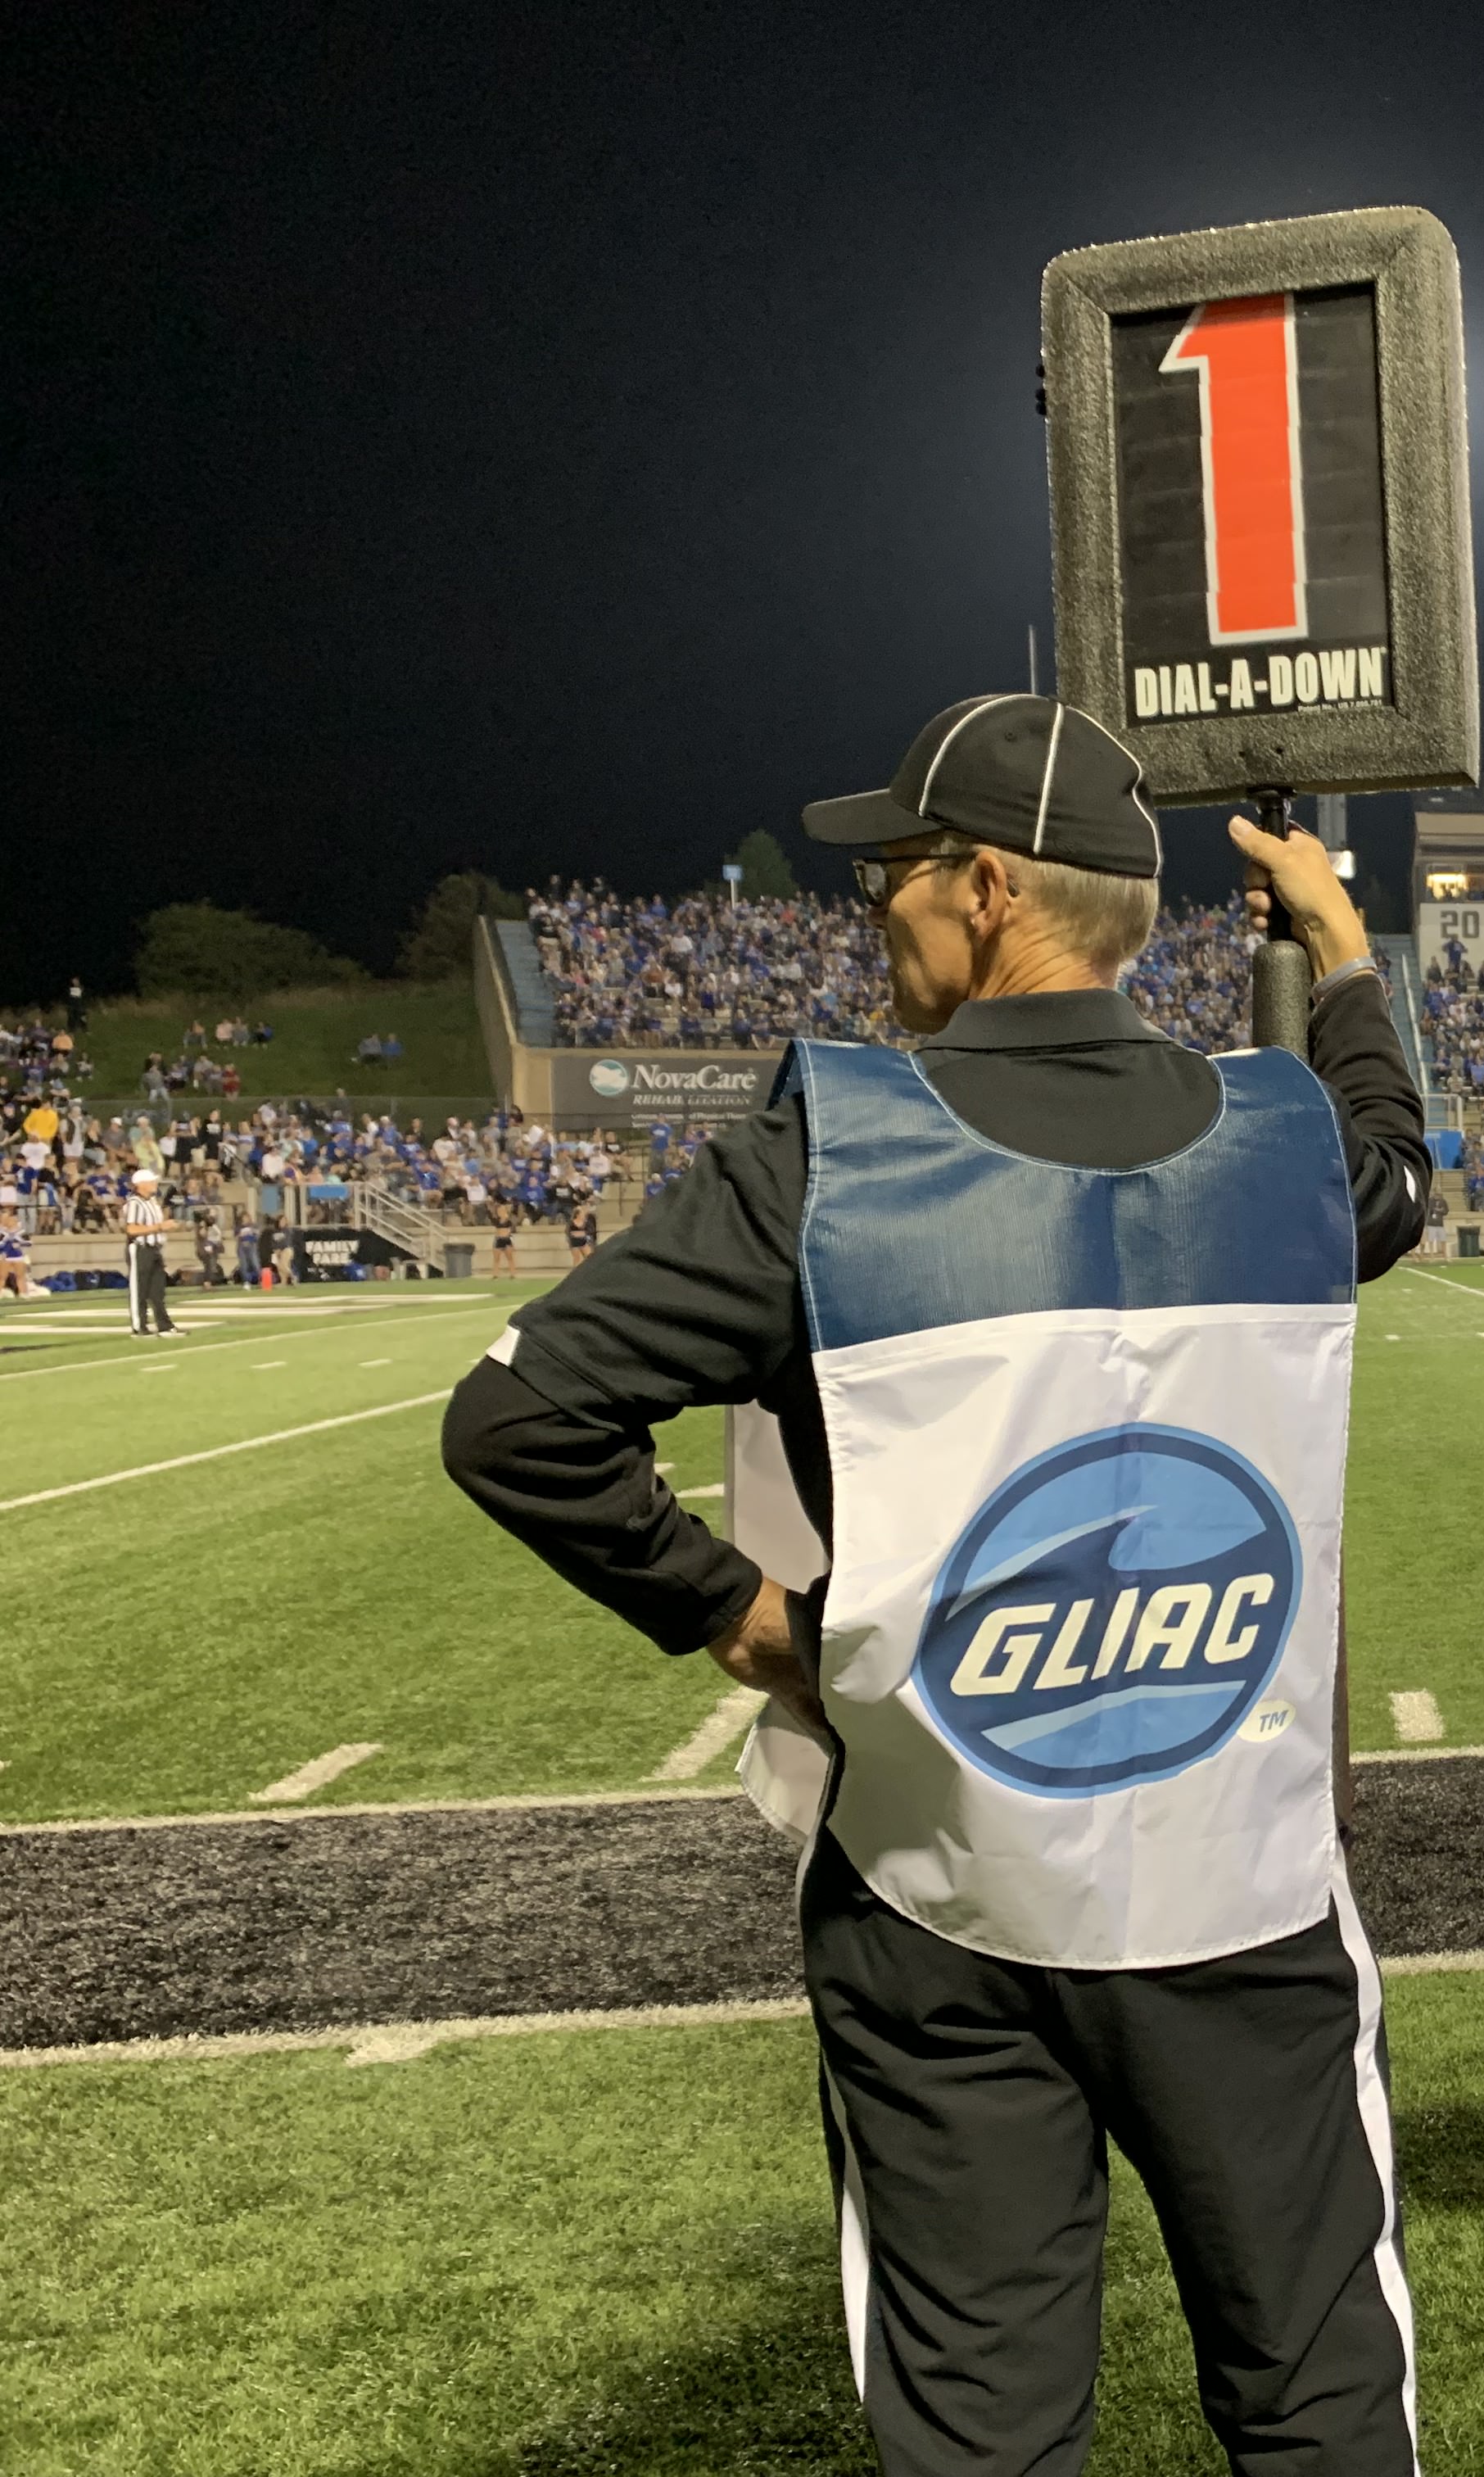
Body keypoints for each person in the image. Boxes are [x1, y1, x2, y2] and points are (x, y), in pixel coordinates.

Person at [442, 694, 1431, 2476]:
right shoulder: (1289, 1149)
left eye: (894, 870)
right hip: (1245, 1892)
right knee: (1316, 2398)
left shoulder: (826, 1154)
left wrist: (753, 1628)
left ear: (988, 886)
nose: (874, 907)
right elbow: (1399, 1166)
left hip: (935, 1889)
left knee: (977, 2424)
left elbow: (519, 1420)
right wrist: (1348, 951)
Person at [122, 1166, 180, 1333]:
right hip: (140, 1248)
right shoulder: (135, 1203)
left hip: (154, 1248)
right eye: (151, 1181)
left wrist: (165, 1227)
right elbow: (131, 1229)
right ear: (141, 1184)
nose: (155, 1183)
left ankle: (164, 1325)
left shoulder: (152, 1202)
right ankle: (139, 1326)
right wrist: (160, 1226)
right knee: (139, 1289)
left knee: (158, 1290)